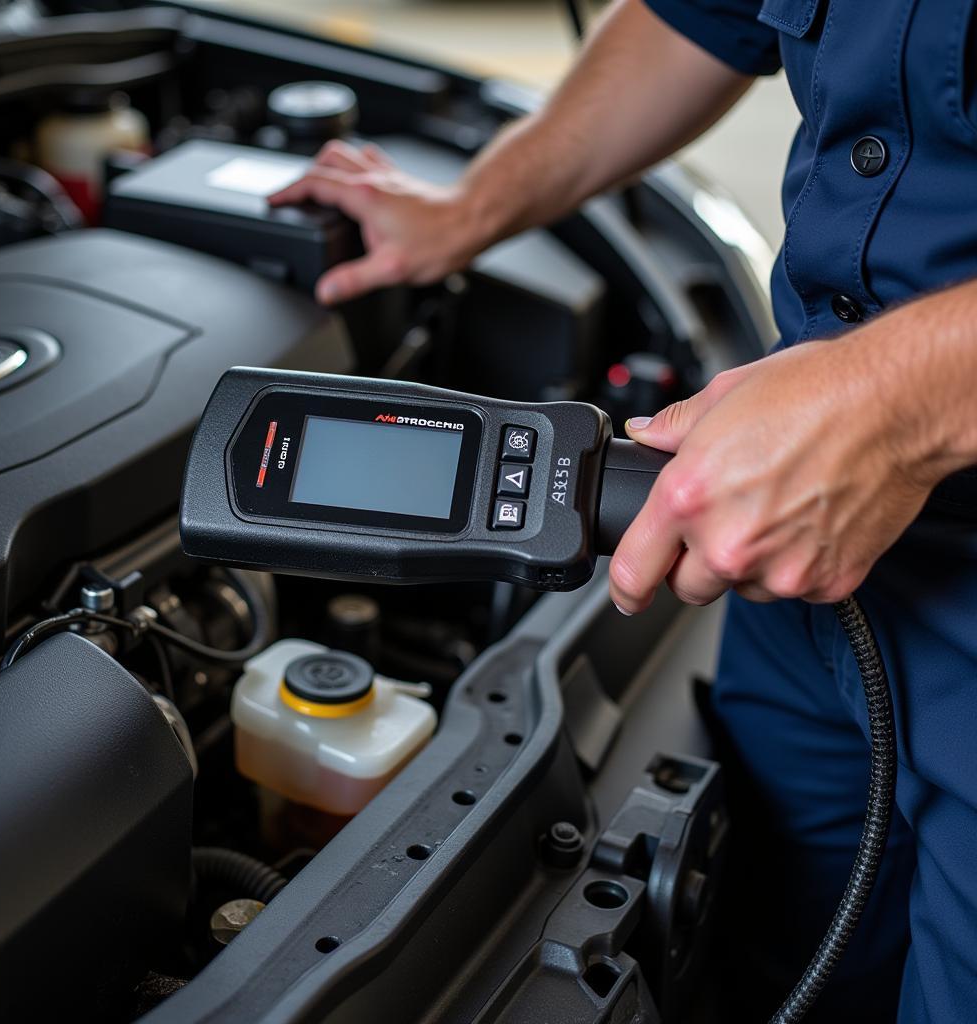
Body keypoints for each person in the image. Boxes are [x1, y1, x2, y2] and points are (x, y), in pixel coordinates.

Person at [269, 1, 977, 1018]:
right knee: (767, 955)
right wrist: (469, 207)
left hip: (864, 474)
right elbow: (697, 19)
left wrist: (893, 405)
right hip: (786, 547)